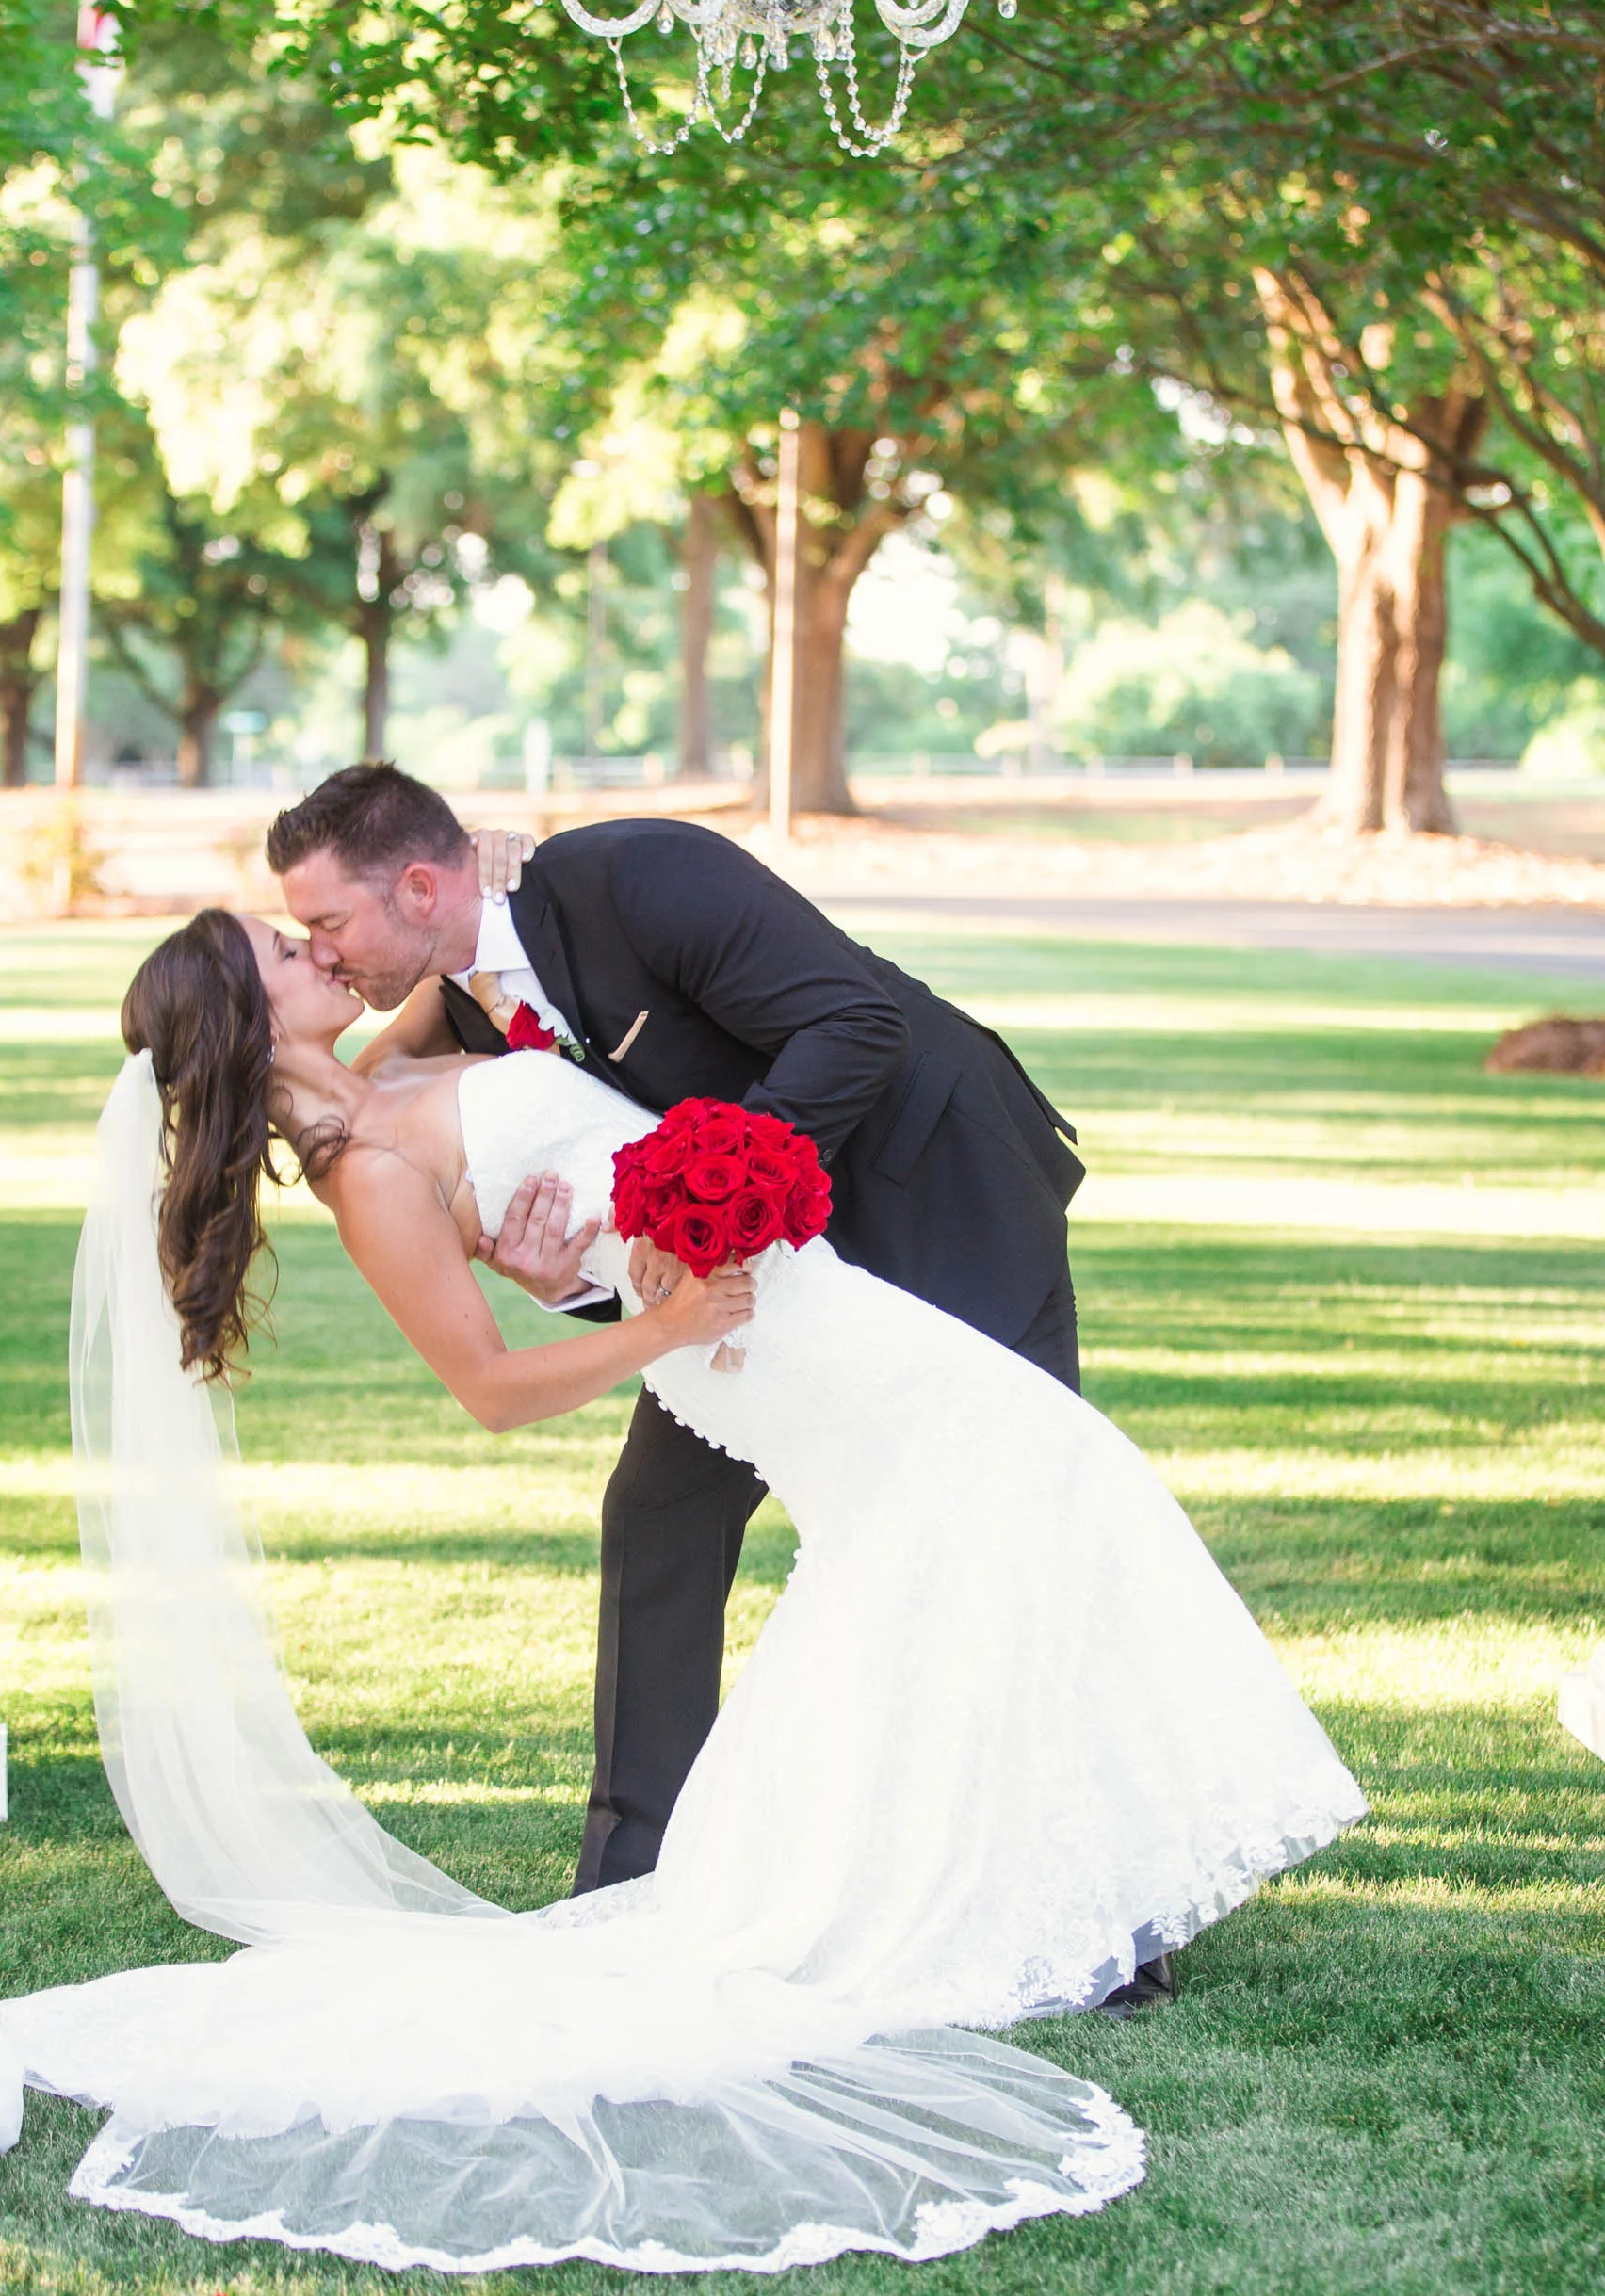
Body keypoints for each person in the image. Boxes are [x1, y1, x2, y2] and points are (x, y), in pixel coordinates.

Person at [0, 898, 1366, 2276]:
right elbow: (488, 1391)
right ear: (245, 1020)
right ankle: (936, 1876)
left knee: (962, 1525)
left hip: (798, 1291)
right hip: (739, 1338)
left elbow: (493, 977)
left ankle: (943, 1868)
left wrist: (572, 1250)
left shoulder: (405, 1056)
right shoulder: (367, 1177)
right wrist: (655, 1321)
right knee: (1035, 1469)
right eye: (286, 956)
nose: (318, 954)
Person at [261, 771, 1149, 1950]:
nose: (327, 955)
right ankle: (629, 1890)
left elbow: (855, 1024)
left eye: (330, 924)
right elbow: (580, 1169)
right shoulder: (460, 1012)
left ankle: (1111, 1919)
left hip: (936, 1186)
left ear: (421, 886)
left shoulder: (641, 876)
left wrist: (698, 1226)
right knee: (657, 1522)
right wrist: (563, 1276)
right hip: (749, 1282)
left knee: (1005, 1520)